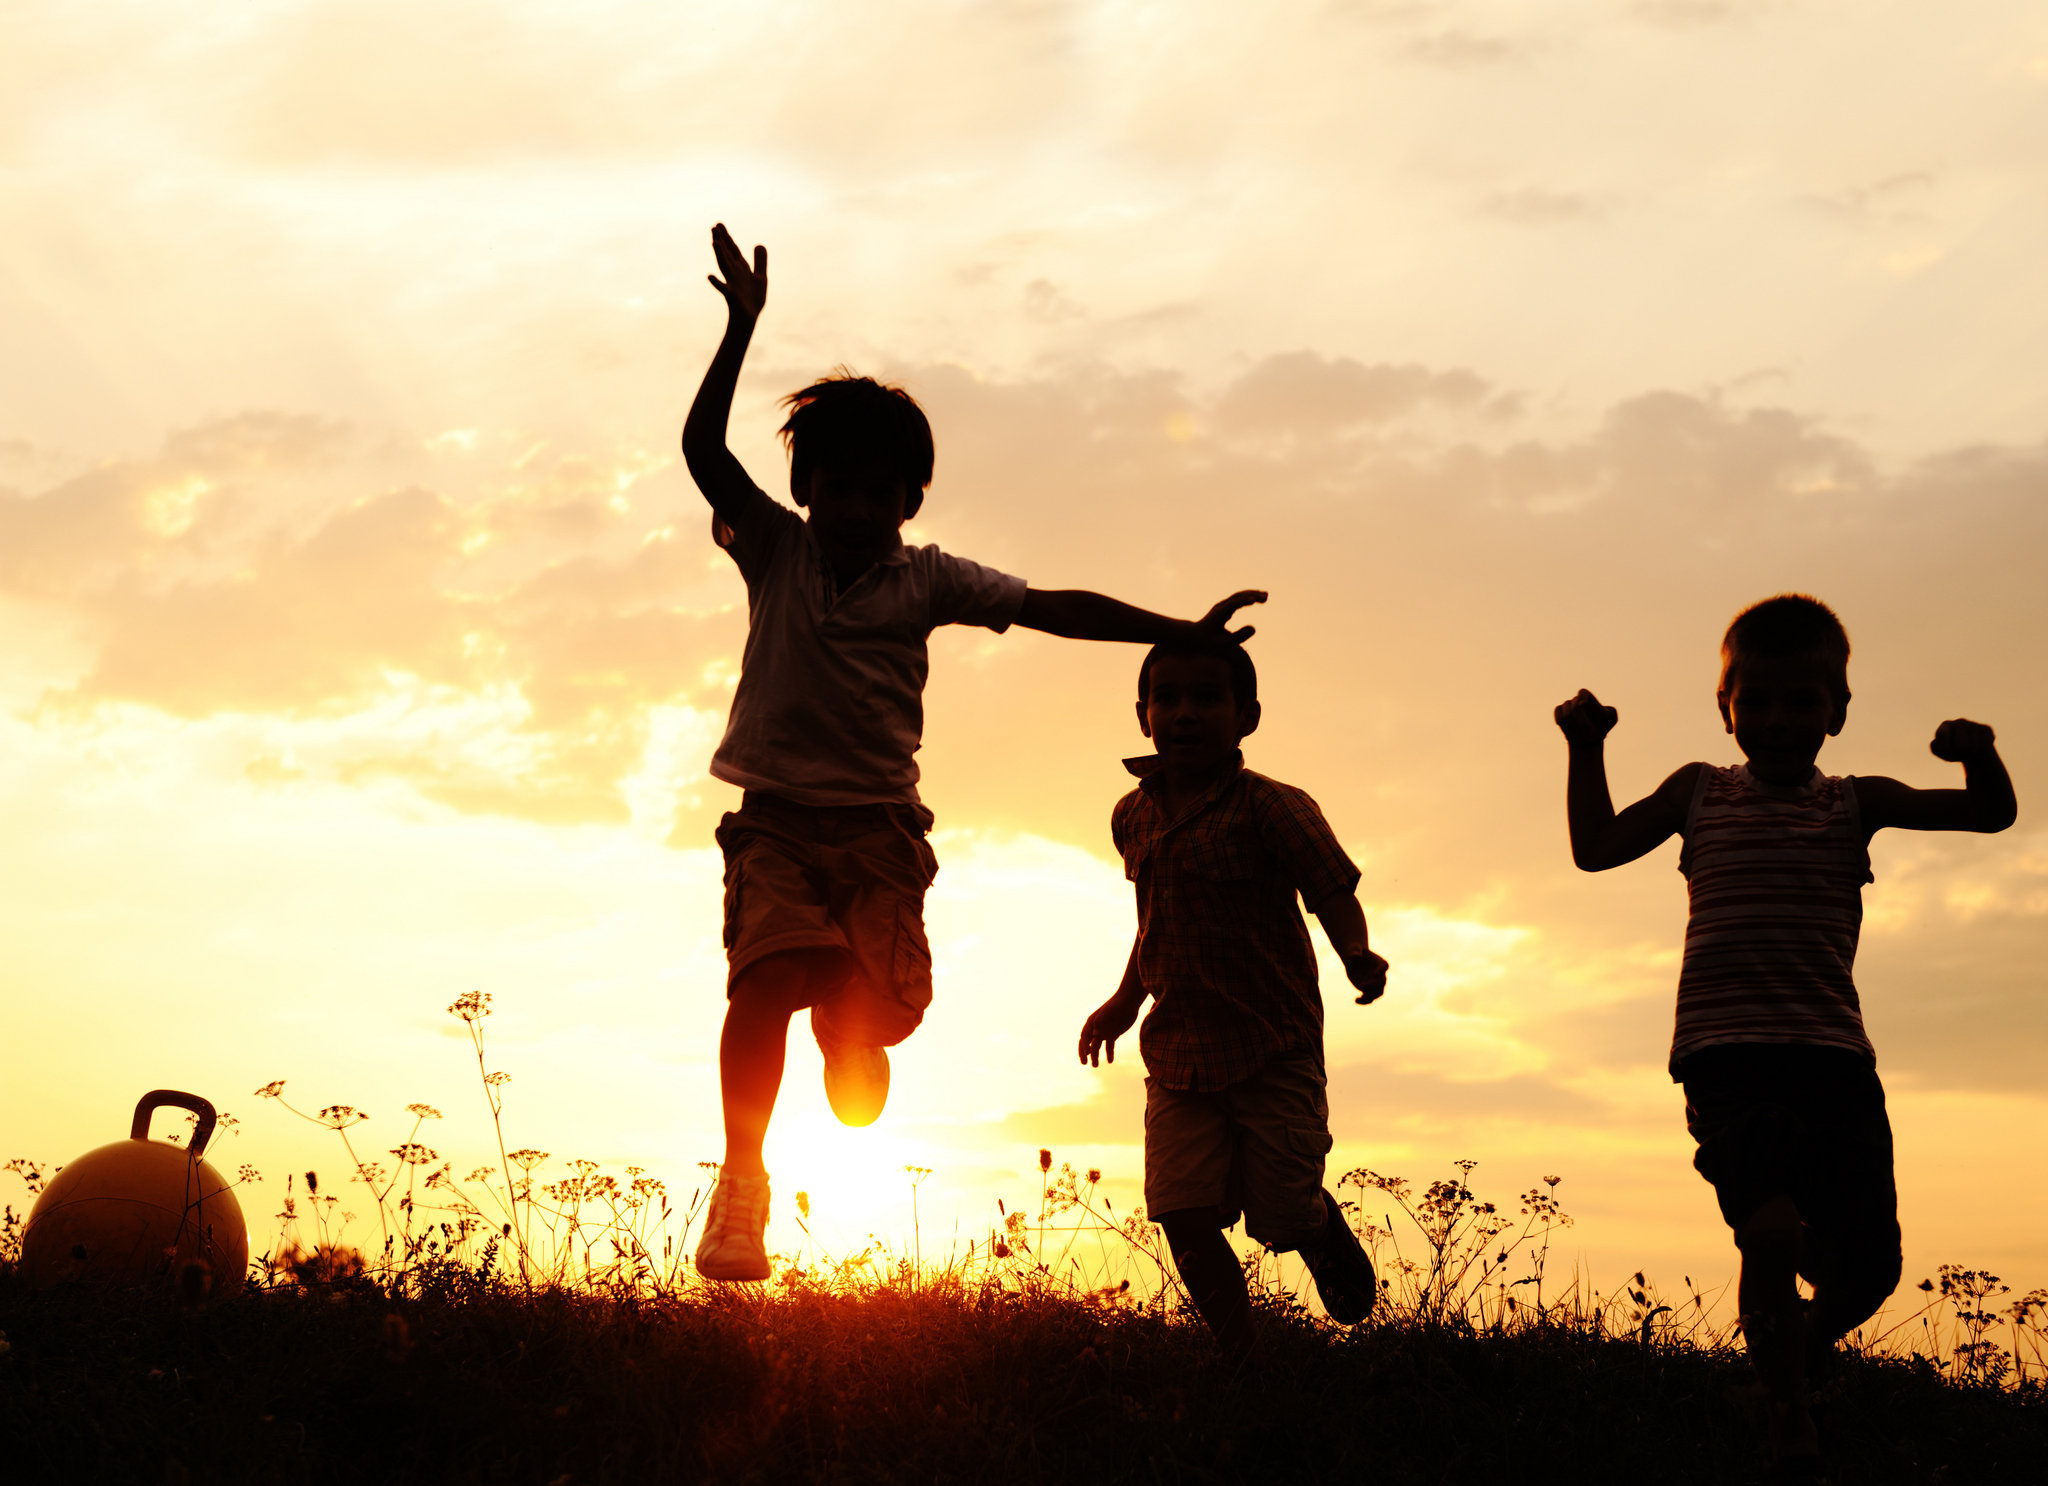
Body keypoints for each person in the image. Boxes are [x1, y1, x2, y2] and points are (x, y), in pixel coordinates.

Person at [681, 223, 1267, 1282]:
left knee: (871, 1037)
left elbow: (1052, 606)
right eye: (836, 487)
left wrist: (1176, 631)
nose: (856, 510)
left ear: (909, 501)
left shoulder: (929, 580)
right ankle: (741, 1183)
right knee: (765, 978)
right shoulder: (774, 548)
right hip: (771, 820)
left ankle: (851, 1029)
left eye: (879, 492)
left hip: (878, 837)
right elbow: (703, 459)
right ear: (807, 488)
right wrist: (738, 334)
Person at [1555, 593, 2016, 1474]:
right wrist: (1586, 747)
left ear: (1839, 712)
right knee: (1766, 1232)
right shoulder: (1698, 791)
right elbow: (1598, 847)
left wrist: (1980, 753)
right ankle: (1786, 1416)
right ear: (1724, 709)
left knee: (1870, 1269)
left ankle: (1799, 1349)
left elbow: (1987, 815)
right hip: (1726, 1059)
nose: (1776, 719)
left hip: (1835, 1061)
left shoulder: (1856, 803)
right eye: (1754, 700)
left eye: (1802, 701)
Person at [1077, 637, 1389, 1365]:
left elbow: (1332, 890)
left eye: (1208, 698)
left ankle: (1314, 1224)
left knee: (1278, 1212)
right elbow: (1156, 916)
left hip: (1270, 1047)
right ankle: (1244, 1362)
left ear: (1247, 715)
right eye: (1169, 698)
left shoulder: (1273, 808)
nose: (1186, 713)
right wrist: (1125, 1000)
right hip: (1179, 1049)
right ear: (1143, 714)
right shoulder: (1134, 815)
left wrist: (1356, 953)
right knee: (1182, 1211)